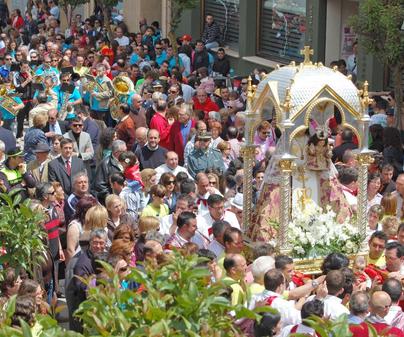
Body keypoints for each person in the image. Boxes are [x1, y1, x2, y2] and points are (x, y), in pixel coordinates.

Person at [66, 229, 107, 332]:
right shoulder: (83, 263)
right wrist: (96, 281)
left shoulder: (104, 257)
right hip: (86, 309)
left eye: (101, 243)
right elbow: (81, 286)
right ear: (90, 243)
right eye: (95, 243)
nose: (98, 246)